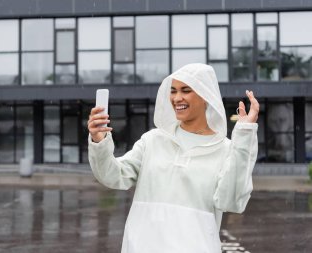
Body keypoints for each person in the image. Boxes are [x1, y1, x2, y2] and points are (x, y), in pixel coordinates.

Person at [87, 63, 259, 253]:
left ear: (205, 96)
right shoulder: (152, 140)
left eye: (186, 91)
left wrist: (243, 137)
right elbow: (113, 175)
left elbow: (232, 202)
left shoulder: (225, 150)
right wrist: (99, 140)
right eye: (173, 91)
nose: (177, 98)